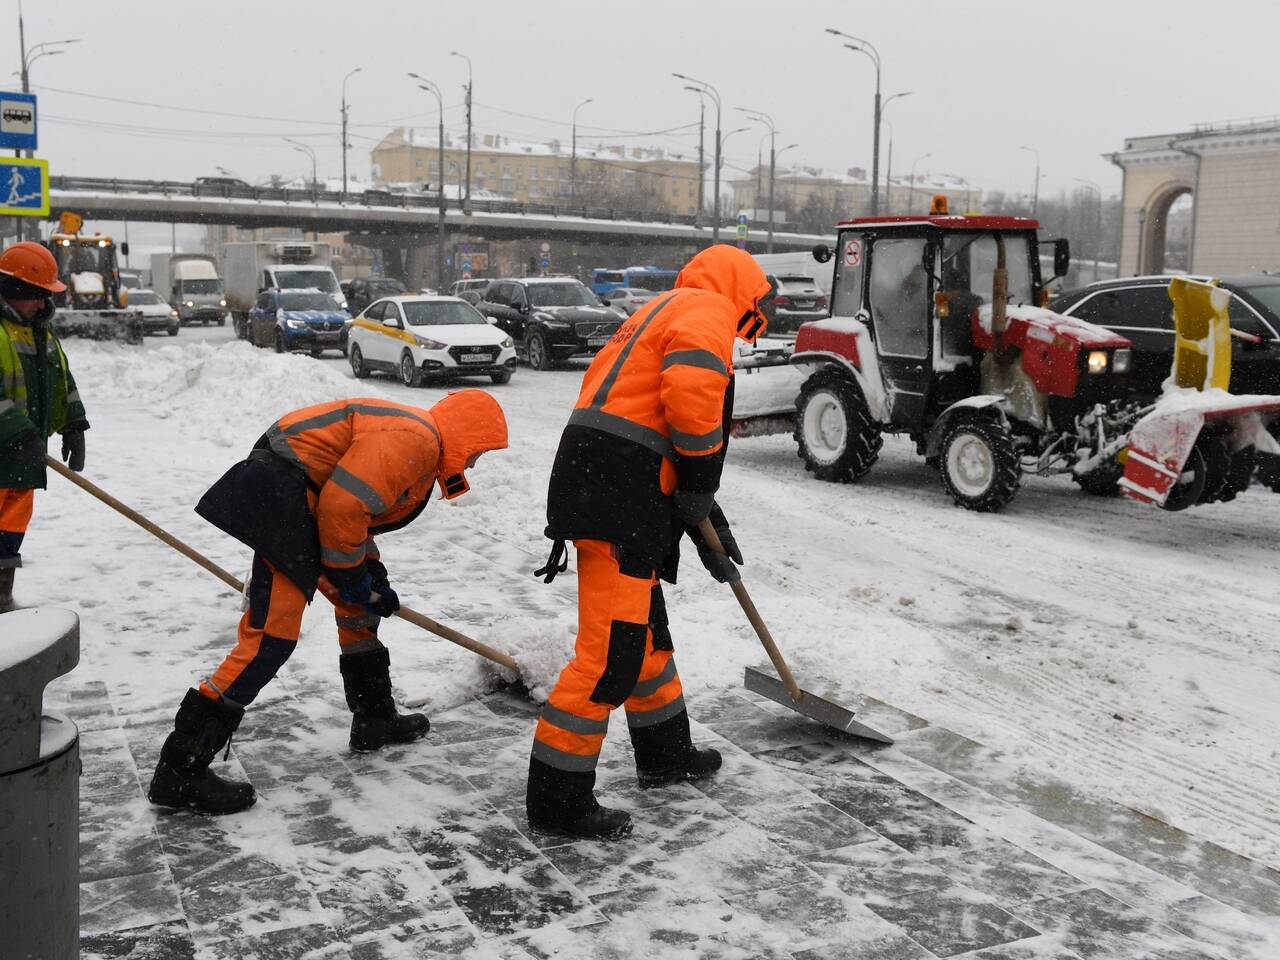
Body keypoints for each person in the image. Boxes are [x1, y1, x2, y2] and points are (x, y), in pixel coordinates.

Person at [148, 391, 509, 815]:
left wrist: (370, 575)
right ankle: (181, 768)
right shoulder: (417, 439)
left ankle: (374, 717)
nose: (471, 465)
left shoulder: (418, 441)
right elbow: (342, 509)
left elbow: (356, 514)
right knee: (271, 638)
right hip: (284, 498)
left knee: (362, 609)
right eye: (477, 453)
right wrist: (354, 578)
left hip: (301, 499)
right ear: (466, 434)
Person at [526, 244, 776, 840]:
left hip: (607, 475)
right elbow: (689, 394)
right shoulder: (709, 310)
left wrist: (700, 505)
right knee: (607, 653)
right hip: (619, 485)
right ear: (740, 288)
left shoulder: (664, 307)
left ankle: (666, 756)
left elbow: (646, 411)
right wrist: (697, 479)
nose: (757, 311)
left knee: (643, 635)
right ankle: (558, 800)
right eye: (758, 300)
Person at [0, 241, 88, 613]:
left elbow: (62, 381)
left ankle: (1, 595)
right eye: (36, 295)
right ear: (13, 290)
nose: (41, 303)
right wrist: (20, 433)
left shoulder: (40, 332)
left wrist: (74, 424)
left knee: (10, 532)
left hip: (23, 459)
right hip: (12, 447)